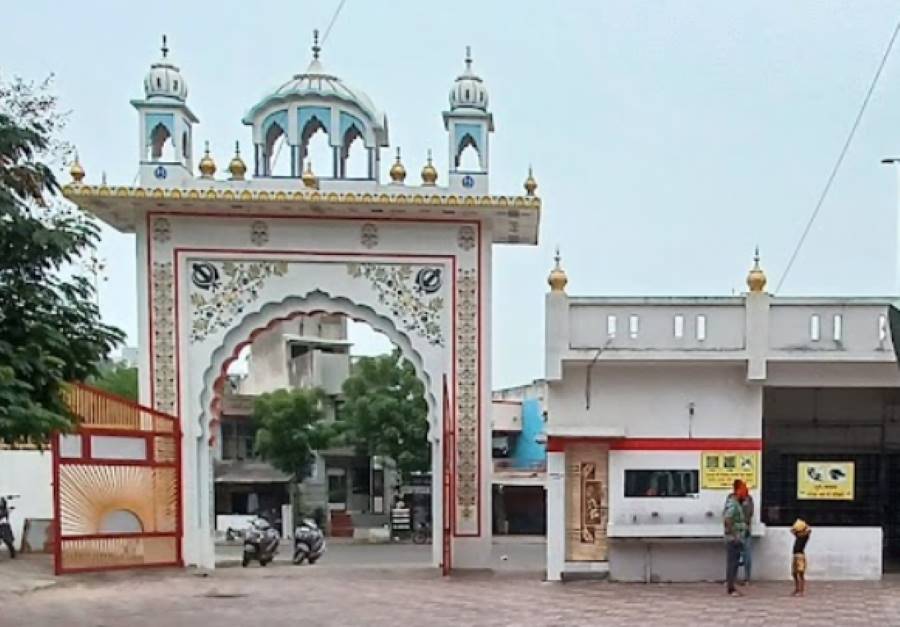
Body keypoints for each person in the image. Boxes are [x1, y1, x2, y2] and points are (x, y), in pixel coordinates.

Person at [723, 479, 747, 596]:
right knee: (732, 563)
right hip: (733, 539)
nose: (746, 492)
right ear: (738, 490)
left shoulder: (738, 503)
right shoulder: (733, 503)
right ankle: (731, 588)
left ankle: (732, 586)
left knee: (735, 563)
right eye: (744, 489)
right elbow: (727, 519)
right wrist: (734, 535)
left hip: (738, 538)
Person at [790, 518, 812, 597]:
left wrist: (804, 526)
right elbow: (792, 530)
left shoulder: (805, 536)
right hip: (795, 555)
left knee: (801, 574)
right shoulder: (798, 535)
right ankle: (797, 589)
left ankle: (801, 590)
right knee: (794, 574)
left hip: (800, 556)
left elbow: (809, 530)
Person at [738, 483, 754, 585]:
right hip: (735, 531)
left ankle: (747, 578)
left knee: (746, 555)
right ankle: (731, 577)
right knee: (733, 556)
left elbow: (749, 513)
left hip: (745, 530)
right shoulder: (732, 498)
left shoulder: (748, 500)